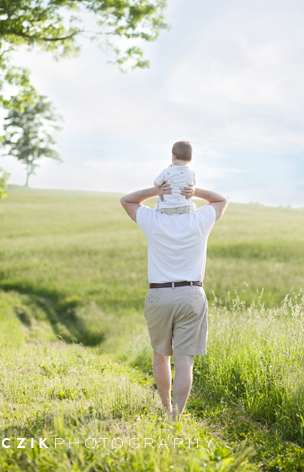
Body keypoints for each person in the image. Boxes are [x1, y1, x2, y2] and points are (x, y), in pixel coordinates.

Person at [120, 181, 228, 420]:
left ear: (161, 203)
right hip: (191, 294)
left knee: (161, 355)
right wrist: (194, 190)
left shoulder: (154, 220)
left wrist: (156, 190)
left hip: (159, 294)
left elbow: (127, 200)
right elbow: (221, 200)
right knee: (184, 360)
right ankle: (176, 418)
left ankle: (165, 408)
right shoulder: (199, 220)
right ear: (189, 203)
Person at [154, 140, 197, 215]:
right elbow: (193, 185)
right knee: (194, 207)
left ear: (173, 156)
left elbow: (156, 184)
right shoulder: (191, 173)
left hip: (166, 207)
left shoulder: (166, 171)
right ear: (190, 160)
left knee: (157, 207)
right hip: (184, 207)